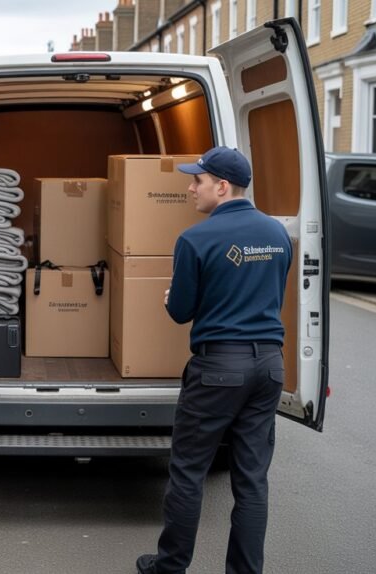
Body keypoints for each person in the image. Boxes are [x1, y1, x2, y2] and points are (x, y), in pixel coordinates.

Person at [136, 146, 292, 574]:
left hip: (219, 368)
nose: (190, 188)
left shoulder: (195, 239)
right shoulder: (278, 234)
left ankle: (169, 567)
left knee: (188, 473)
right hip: (269, 368)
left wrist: (173, 297)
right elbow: (267, 293)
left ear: (222, 187)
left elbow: (181, 310)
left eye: (197, 181)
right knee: (252, 480)